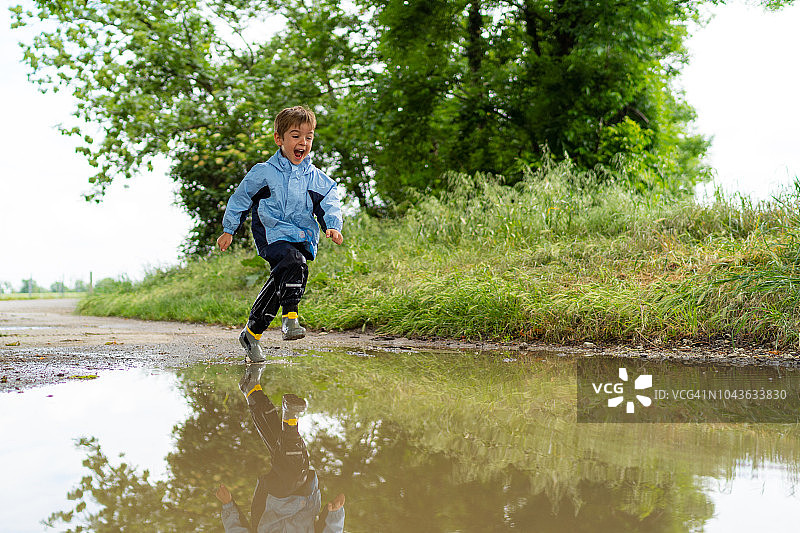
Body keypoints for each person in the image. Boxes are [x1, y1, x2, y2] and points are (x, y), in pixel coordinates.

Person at [217, 105, 344, 358]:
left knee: (281, 282)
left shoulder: (316, 177)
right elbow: (241, 199)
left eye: (309, 137)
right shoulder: (264, 172)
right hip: (272, 233)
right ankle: (290, 319)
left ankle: (251, 335)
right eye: (296, 136)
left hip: (302, 236)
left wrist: (332, 225)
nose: (303, 142)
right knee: (293, 263)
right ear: (279, 139)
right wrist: (229, 229)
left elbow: (330, 200)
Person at [215, 364, 345, 532]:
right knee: (278, 446)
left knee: (295, 470)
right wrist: (335, 513)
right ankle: (251, 391)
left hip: (271, 506)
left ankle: (290, 419)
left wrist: (228, 506)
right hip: (304, 499)